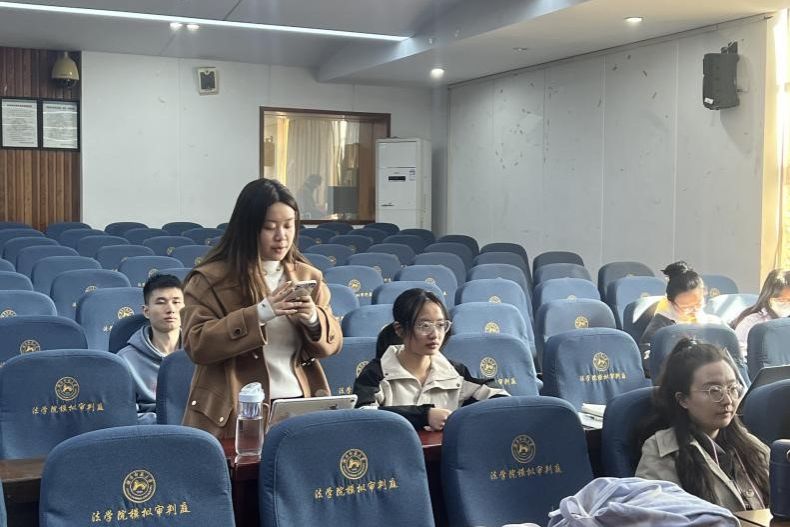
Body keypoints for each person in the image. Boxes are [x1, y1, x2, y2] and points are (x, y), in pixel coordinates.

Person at [181, 178, 342, 438]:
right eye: (270, 227)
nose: (281, 236)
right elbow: (196, 344)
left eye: (288, 225)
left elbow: (332, 344)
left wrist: (313, 318)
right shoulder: (209, 279)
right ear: (248, 228)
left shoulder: (308, 276)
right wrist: (259, 314)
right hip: (235, 409)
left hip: (297, 401)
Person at [635, 338, 769, 512]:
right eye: (714, 391)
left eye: (732, 388)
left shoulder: (749, 443)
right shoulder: (661, 452)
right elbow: (659, 517)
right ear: (683, 399)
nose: (728, 400)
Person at [353, 288, 508, 431]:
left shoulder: (455, 372)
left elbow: (500, 400)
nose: (435, 335)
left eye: (440, 325)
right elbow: (364, 413)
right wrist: (423, 416)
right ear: (399, 329)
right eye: (424, 326)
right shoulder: (376, 372)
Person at [117, 273, 184, 424]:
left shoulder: (200, 353)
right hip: (150, 433)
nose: (171, 309)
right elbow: (126, 415)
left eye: (176, 302)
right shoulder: (125, 360)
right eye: (161, 302)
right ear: (146, 311)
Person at [639, 261, 720, 359]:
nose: (694, 310)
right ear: (671, 303)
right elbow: (647, 353)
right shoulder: (661, 323)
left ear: (704, 292)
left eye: (698, 303)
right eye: (686, 307)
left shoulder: (709, 319)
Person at [731, 268, 790, 356]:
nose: (787, 304)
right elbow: (740, 356)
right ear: (768, 297)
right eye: (781, 300)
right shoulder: (751, 322)